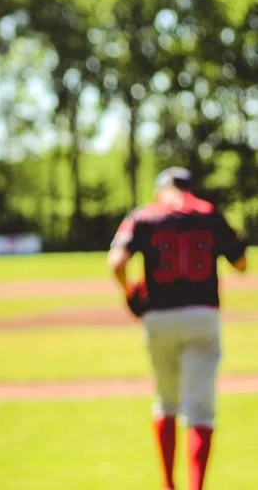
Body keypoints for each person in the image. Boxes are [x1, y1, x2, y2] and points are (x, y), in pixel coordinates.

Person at [107, 167, 247, 490]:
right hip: (202, 314)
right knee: (200, 411)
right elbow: (241, 264)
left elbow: (116, 262)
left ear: (160, 189)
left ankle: (168, 484)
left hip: (159, 317)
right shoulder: (208, 212)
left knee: (166, 401)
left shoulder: (145, 214)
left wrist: (129, 291)